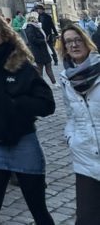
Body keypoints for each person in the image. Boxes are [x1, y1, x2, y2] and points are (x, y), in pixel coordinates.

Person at [0, 12, 55, 225]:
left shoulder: (21, 64)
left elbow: (47, 104)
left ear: (5, 32)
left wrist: (16, 103)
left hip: (24, 142)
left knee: (39, 210)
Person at [58, 23, 100, 225]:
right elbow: (70, 114)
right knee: (86, 218)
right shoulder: (66, 78)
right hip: (85, 157)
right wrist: (71, 137)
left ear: (86, 41)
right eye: (68, 42)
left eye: (77, 40)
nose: (74, 45)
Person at [25, 12, 56, 85]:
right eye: (36, 18)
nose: (37, 20)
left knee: (48, 66)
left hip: (44, 50)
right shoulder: (30, 27)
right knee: (40, 69)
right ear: (32, 19)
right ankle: (40, 84)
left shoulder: (37, 26)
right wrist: (44, 40)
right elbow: (33, 40)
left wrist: (45, 40)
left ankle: (54, 82)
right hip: (38, 51)